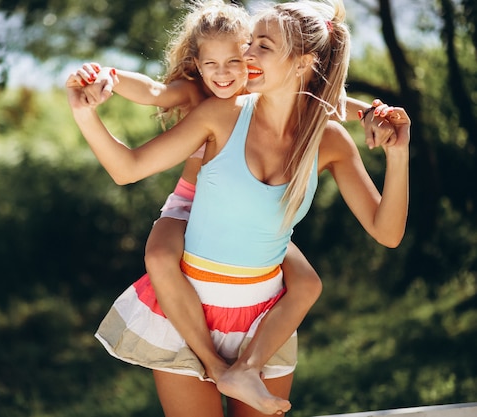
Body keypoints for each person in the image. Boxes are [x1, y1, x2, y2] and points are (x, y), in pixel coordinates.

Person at [66, 0, 410, 415]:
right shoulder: (220, 114)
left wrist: (397, 154)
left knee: (308, 283)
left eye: (261, 45)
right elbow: (128, 169)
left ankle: (244, 370)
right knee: (160, 254)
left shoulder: (329, 139)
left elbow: (387, 233)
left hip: (264, 322)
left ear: (302, 63)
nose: (246, 56)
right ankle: (221, 368)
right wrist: (85, 113)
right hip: (188, 318)